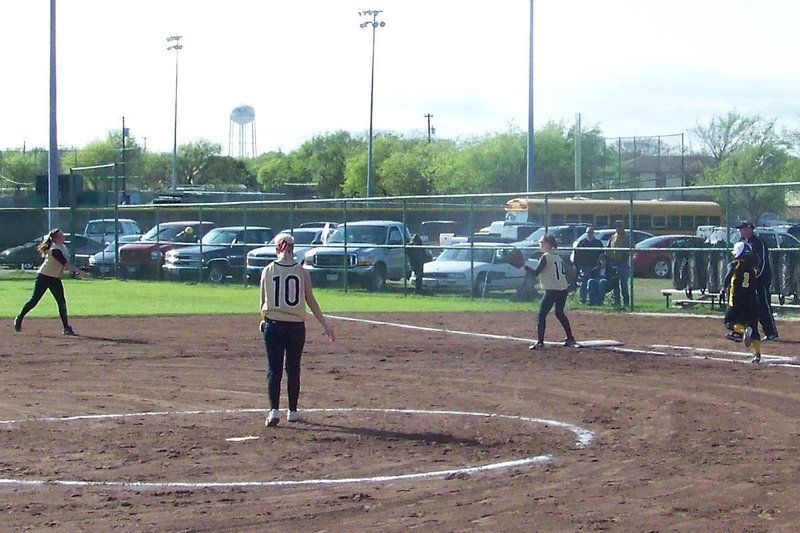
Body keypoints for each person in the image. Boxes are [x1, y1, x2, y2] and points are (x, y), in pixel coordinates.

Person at [259, 233, 336, 427]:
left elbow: (263, 302)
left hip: (273, 325)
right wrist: (325, 324)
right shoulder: (302, 272)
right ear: (293, 248)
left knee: (273, 370)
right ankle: (292, 411)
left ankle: (274, 410)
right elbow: (310, 300)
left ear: (277, 248)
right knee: (293, 369)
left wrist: (263, 320)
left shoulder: (268, 270)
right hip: (295, 327)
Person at [14, 229, 88, 335]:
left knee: (61, 302)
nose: (63, 237)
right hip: (44, 277)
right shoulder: (55, 250)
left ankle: (66, 327)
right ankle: (19, 318)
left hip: (55, 278)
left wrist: (76, 272)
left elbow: (64, 266)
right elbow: (65, 264)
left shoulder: (63, 247)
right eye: (61, 236)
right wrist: (80, 272)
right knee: (34, 300)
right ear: (55, 239)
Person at [516, 234, 577, 349]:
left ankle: (540, 342)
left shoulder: (546, 256)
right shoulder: (557, 256)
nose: (540, 244)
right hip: (562, 289)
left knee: (541, 315)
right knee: (559, 313)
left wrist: (524, 266)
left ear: (548, 244)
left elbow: (536, 273)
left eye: (541, 242)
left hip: (552, 290)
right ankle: (570, 338)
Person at [737, 222, 779, 341]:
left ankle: (771, 333)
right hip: (747, 280)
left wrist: (757, 276)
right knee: (746, 306)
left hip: (761, 279)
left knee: (763, 305)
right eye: (740, 229)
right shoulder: (742, 242)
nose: (741, 231)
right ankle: (745, 332)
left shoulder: (759, 242)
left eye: (743, 229)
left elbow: (763, 262)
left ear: (750, 229)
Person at [721, 241, 762, 363]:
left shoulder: (735, 264)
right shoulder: (753, 268)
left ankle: (741, 332)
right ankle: (757, 354)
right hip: (752, 301)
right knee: (753, 328)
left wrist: (723, 288)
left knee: (729, 322)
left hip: (737, 300)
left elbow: (728, 276)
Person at [573, 226, 603, 304]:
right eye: (588, 233)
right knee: (584, 283)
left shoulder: (598, 243)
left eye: (591, 232)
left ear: (593, 233)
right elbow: (577, 255)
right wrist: (578, 266)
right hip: (584, 267)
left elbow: (602, 256)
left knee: (594, 283)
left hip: (595, 267)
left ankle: (593, 300)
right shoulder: (582, 243)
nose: (589, 234)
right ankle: (582, 299)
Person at [606, 220, 630, 308]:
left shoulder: (627, 237)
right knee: (615, 283)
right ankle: (617, 301)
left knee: (623, 283)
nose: (618, 228)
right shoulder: (613, 237)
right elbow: (608, 248)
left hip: (623, 263)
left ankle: (626, 302)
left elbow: (632, 249)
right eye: (616, 226)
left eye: (619, 226)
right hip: (613, 263)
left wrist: (624, 255)